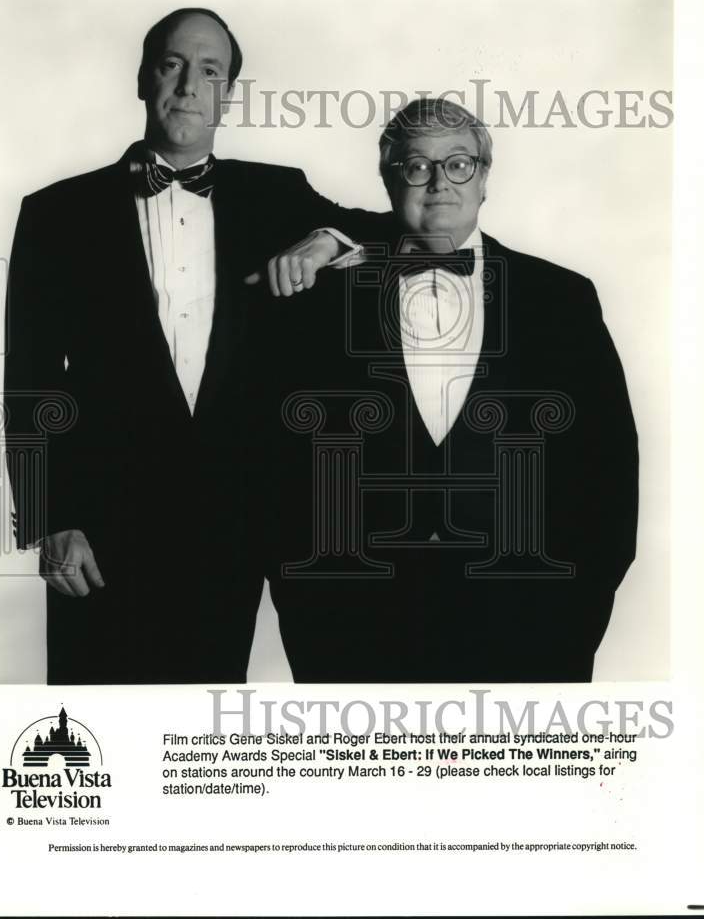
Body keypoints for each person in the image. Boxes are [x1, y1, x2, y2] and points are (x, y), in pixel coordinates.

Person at [4, 7, 385, 684]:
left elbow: (386, 229)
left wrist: (327, 240)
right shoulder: (57, 212)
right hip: (99, 525)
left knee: (197, 734)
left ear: (226, 94)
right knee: (99, 727)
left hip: (235, 523)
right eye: (172, 64)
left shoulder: (277, 194)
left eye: (209, 71)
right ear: (144, 79)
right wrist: (49, 518)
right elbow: (30, 376)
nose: (187, 85)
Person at [261, 97, 639, 683]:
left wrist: (573, 625)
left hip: (529, 631)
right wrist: (311, 618)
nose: (439, 182)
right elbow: (277, 470)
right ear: (389, 180)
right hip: (353, 638)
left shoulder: (562, 299)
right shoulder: (317, 306)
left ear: (485, 178)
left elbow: (608, 472)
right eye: (416, 165)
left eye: (459, 164)